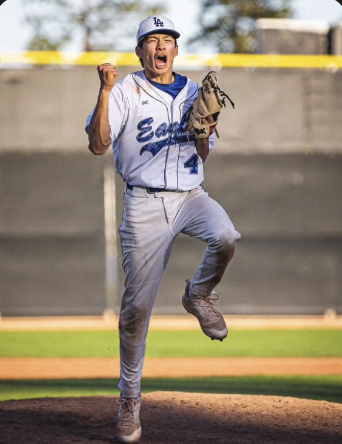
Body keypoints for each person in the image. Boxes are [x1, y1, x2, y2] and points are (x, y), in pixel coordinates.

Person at [86, 16, 241, 444]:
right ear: (140, 52)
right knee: (136, 310)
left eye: (167, 40)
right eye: (151, 40)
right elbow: (99, 144)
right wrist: (103, 90)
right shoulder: (124, 92)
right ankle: (129, 401)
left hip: (191, 196)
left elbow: (204, 153)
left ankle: (199, 294)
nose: (160, 46)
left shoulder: (195, 91)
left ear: (176, 50)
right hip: (144, 202)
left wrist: (206, 132)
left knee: (227, 236)